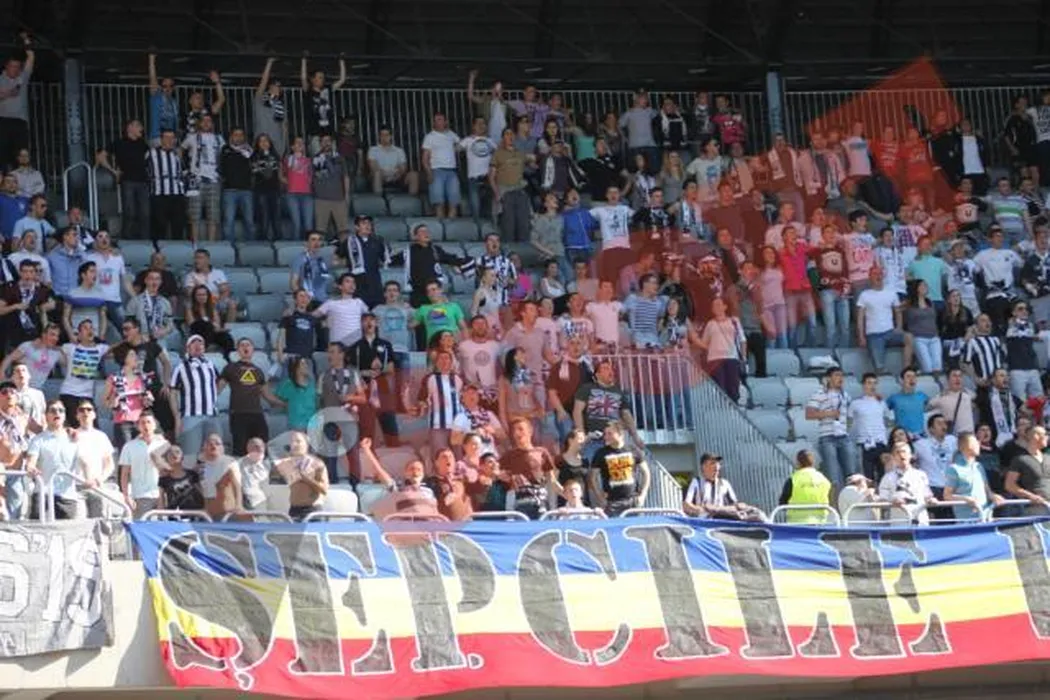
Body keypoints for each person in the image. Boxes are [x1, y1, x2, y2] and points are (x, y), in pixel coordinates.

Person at [220, 338, 286, 454]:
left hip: (257, 414)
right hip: (238, 414)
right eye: (242, 345)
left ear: (253, 349)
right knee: (240, 450)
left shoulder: (258, 371)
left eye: (248, 345)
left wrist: (286, 404)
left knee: (261, 448)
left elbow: (268, 396)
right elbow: (217, 389)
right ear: (238, 350)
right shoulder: (230, 368)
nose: (245, 347)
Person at [574, 358, 643, 459]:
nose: (610, 371)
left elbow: (627, 415)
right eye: (606, 368)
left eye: (611, 369)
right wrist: (581, 433)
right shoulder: (587, 388)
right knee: (591, 466)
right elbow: (577, 411)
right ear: (597, 375)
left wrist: (635, 436)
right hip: (593, 440)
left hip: (614, 440)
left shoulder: (618, 391)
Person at [168, 335, 221, 466]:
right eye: (194, 343)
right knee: (190, 456)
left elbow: (218, 383)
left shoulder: (211, 365)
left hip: (212, 415)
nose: (198, 345)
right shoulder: (181, 367)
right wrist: (177, 416)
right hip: (190, 416)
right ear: (188, 348)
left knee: (216, 455)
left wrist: (212, 398)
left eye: (201, 343)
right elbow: (173, 392)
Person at [24, 400, 81, 519]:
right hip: (42, 494)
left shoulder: (74, 438)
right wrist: (30, 468)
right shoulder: (38, 440)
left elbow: (84, 462)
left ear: (65, 415)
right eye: (53, 410)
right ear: (46, 416)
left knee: (68, 530)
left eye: (61, 410)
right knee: (36, 529)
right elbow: (30, 462)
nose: (57, 413)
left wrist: (90, 478)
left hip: (67, 496)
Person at [499, 417, 560, 519]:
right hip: (518, 502)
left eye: (520, 429)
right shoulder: (508, 456)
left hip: (540, 500)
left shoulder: (542, 452)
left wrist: (564, 495)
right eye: (514, 430)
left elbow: (551, 480)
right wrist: (501, 476)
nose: (517, 433)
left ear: (530, 431)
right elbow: (497, 472)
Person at [589, 421, 649, 516]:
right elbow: (593, 477)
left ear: (620, 434)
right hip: (612, 502)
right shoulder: (600, 453)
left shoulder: (634, 450)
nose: (606, 437)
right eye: (605, 434)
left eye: (610, 433)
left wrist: (643, 495)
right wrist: (600, 498)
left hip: (633, 501)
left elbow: (646, 473)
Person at [856, 266, 909, 374]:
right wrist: (861, 336)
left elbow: (898, 311)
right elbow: (860, 318)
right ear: (870, 277)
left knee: (910, 338)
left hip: (890, 332)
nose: (878, 276)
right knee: (879, 368)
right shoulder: (864, 295)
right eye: (875, 274)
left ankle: (907, 370)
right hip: (874, 335)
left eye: (880, 274)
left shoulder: (891, 293)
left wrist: (899, 327)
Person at [806, 367, 854, 485]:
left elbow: (850, 415)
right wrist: (829, 413)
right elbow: (809, 414)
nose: (840, 378)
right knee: (833, 476)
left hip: (844, 436)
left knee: (851, 474)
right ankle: (835, 496)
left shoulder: (845, 395)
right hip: (827, 437)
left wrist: (847, 427)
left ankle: (850, 495)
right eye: (837, 375)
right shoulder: (819, 394)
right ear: (828, 378)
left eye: (841, 375)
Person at [118, 411, 169, 519]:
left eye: (149, 422)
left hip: (161, 496)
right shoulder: (129, 446)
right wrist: (126, 496)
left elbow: (169, 470)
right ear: (138, 426)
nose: (146, 425)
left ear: (155, 425)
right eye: (143, 423)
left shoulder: (164, 444)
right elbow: (124, 474)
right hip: (140, 496)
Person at [683, 453, 763, 521]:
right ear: (704, 466)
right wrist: (700, 510)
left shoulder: (724, 483)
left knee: (753, 513)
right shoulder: (696, 482)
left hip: (721, 519)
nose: (716, 466)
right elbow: (686, 504)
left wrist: (739, 506)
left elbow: (734, 504)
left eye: (718, 464)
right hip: (704, 521)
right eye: (712, 463)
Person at [944, 431, 1004, 521]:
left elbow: (987, 491)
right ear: (964, 446)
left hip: (985, 517)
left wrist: (994, 496)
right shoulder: (954, 469)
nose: (978, 445)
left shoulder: (978, 466)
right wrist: (966, 499)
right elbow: (947, 496)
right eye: (974, 442)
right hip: (966, 520)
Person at [696, 297, 746, 402]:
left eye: (718, 304)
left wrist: (744, 357)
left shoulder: (734, 321)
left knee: (733, 387)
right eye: (714, 305)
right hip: (714, 359)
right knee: (720, 388)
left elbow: (742, 340)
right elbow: (704, 343)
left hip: (731, 357)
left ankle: (734, 407)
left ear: (725, 307)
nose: (716, 307)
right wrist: (694, 338)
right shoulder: (710, 324)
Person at [877, 440, 937, 525]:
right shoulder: (887, 477)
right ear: (893, 457)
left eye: (904, 452)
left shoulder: (921, 475)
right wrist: (892, 501)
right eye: (898, 452)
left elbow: (927, 495)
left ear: (910, 455)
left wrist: (931, 500)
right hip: (899, 523)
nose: (901, 455)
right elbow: (882, 500)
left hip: (921, 522)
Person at [104, 348, 153, 451]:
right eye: (132, 355)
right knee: (127, 453)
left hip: (140, 422)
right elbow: (105, 402)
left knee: (141, 453)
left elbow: (147, 401)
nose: (136, 358)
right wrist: (114, 400)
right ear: (124, 359)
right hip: (123, 422)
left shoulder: (142, 378)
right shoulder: (114, 378)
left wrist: (147, 399)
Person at [274, 431, 329, 521]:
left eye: (298, 441)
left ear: (306, 444)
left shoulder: (317, 463)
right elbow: (274, 480)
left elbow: (324, 490)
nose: (294, 444)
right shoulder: (286, 464)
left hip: (312, 510)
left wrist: (307, 479)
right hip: (294, 510)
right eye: (292, 442)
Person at [313, 273, 369, 347]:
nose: (351, 284)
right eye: (348, 281)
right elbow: (310, 317)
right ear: (340, 286)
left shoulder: (359, 302)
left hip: (356, 346)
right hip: (337, 347)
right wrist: (322, 323)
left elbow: (370, 319)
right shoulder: (331, 303)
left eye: (353, 282)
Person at [777, 449, 833, 523]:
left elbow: (782, 503)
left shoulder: (793, 479)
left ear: (798, 463)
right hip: (821, 523)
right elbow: (830, 500)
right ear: (813, 462)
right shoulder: (824, 480)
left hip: (797, 523)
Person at [1005, 424, 1050, 516]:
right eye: (1045, 434)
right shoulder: (1020, 459)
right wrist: (1030, 496)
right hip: (1036, 509)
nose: (1047, 437)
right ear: (1036, 436)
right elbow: (1009, 485)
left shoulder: (1048, 458)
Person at [198, 433, 242, 521]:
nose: (213, 446)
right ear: (204, 447)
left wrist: (238, 505)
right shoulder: (201, 466)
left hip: (227, 515)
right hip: (208, 515)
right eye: (210, 443)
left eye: (217, 443)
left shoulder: (230, 463)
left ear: (222, 448)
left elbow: (237, 486)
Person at [156, 444, 204, 512]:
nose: (174, 454)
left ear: (182, 456)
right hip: (174, 515)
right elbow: (161, 499)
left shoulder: (192, 474)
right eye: (170, 453)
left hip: (194, 514)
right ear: (167, 459)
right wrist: (160, 515)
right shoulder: (164, 479)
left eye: (177, 452)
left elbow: (202, 493)